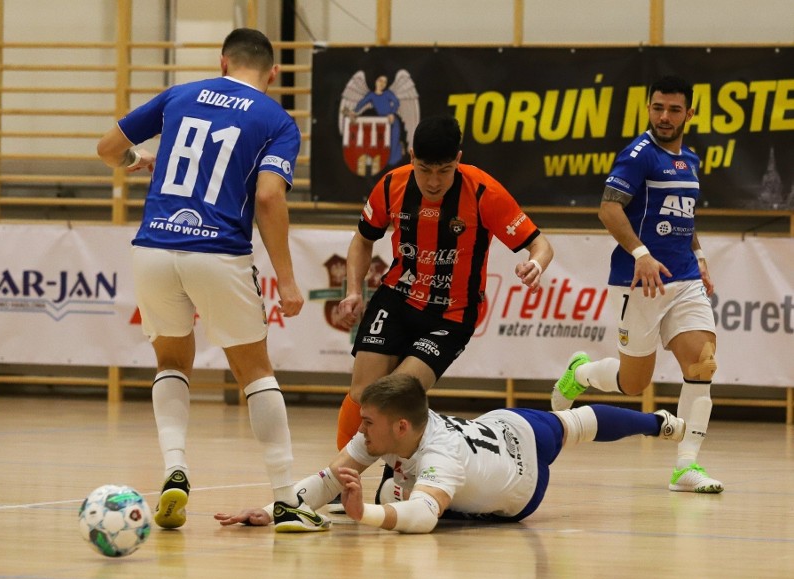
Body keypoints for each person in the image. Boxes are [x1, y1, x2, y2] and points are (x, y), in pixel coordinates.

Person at [96, 28, 328, 533]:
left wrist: (137, 162)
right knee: (255, 373)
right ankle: (287, 500)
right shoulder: (276, 119)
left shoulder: (180, 94)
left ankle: (175, 469)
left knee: (171, 362)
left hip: (153, 247)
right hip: (217, 252)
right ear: (272, 73)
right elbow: (268, 197)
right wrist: (287, 280)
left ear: (222, 62)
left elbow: (108, 147)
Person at [213, 374, 685, 533]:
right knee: (571, 423)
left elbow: (423, 517)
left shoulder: (440, 457)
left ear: (401, 426)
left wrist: (367, 513)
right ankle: (657, 422)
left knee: (577, 424)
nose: (360, 431)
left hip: (524, 485)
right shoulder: (391, 429)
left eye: (368, 423)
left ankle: (657, 423)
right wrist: (277, 510)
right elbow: (331, 477)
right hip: (501, 425)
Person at [334, 114, 554, 451]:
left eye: (444, 171)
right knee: (363, 391)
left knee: (399, 392)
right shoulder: (392, 185)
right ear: (411, 158)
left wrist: (536, 264)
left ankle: (396, 478)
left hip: (452, 314)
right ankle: (340, 480)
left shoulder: (484, 192)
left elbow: (540, 245)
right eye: (424, 170)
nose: (433, 182)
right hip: (397, 297)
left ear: (459, 161)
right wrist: (352, 290)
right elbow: (362, 240)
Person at [550, 75, 723, 494]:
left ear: (690, 114)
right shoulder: (638, 155)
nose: (665, 116)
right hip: (638, 281)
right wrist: (641, 254)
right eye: (658, 107)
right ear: (648, 108)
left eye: (674, 109)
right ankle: (582, 372)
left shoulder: (691, 162)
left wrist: (699, 260)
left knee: (702, 363)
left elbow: (686, 217)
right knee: (634, 383)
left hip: (682, 279)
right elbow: (609, 210)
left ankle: (686, 468)